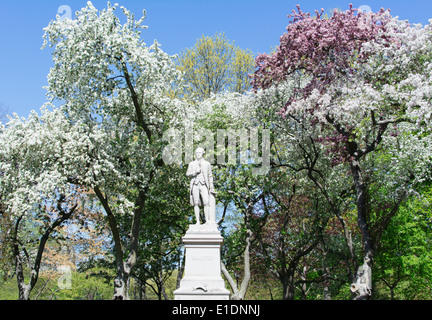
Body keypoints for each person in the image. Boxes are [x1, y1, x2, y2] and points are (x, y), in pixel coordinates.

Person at [186, 147, 216, 225]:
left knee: (206, 202)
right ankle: (197, 221)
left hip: (204, 184)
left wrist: (211, 186)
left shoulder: (207, 164)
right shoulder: (192, 164)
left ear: (203, 153)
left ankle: (207, 220)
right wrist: (195, 172)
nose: (198, 154)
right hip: (195, 184)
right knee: (196, 203)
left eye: (199, 153)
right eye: (196, 153)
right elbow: (187, 174)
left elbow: (210, 176)